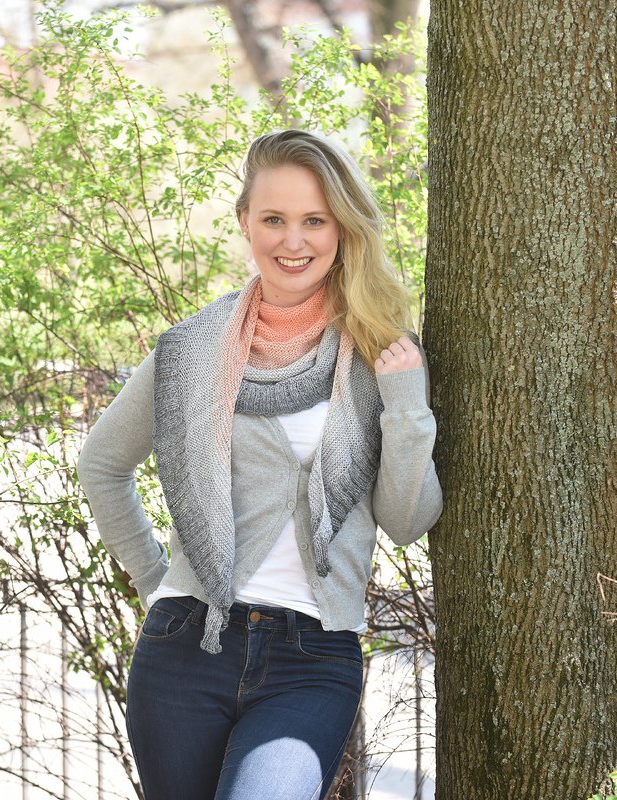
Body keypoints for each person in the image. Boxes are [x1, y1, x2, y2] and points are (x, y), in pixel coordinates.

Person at [76, 129, 443, 800]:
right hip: (186, 648)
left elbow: (408, 520)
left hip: (313, 658)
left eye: (314, 220)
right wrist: (157, 583)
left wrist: (407, 407)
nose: (292, 240)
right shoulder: (192, 352)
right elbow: (101, 464)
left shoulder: (378, 353)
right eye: (274, 218)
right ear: (246, 221)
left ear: (343, 228)